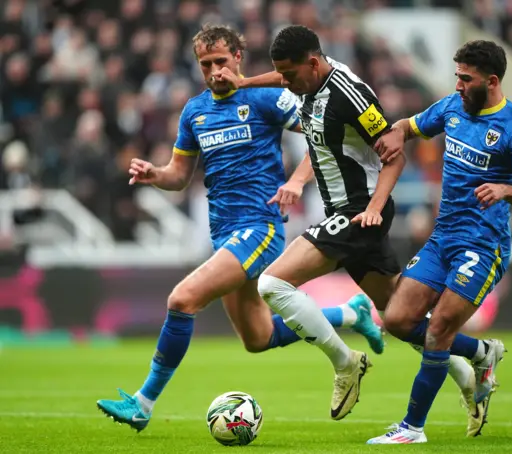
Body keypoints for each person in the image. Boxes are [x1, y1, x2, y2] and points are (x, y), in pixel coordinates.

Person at [95, 24, 384, 432]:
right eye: (205, 64)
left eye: (220, 61)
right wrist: (154, 174)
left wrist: (297, 181)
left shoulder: (267, 97)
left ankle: (143, 403)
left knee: (182, 299)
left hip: (259, 227)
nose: (214, 71)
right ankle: (349, 315)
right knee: (257, 338)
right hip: (223, 232)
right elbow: (179, 175)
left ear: (238, 59)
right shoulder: (195, 110)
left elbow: (325, 136)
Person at [217, 26, 501, 432]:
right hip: (347, 213)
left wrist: (374, 207)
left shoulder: (350, 95)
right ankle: (476, 358)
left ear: (313, 63)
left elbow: (394, 155)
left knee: (271, 284)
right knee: (401, 319)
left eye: (290, 74)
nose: (286, 82)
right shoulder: (307, 84)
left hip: (358, 212)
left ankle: (345, 362)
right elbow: (295, 94)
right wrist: (244, 82)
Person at [366, 40, 512, 444]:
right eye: (457, 77)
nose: (459, 85)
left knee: (438, 331)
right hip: (442, 237)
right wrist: (396, 135)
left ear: (492, 81)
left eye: (467, 79)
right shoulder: (451, 108)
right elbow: (410, 126)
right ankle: (482, 353)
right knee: (395, 319)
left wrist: (504, 189)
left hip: (482, 247)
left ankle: (412, 428)